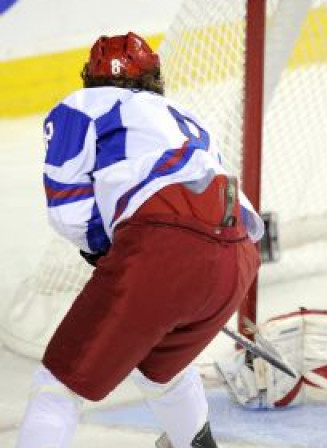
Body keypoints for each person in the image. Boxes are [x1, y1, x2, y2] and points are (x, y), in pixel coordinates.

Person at [16, 32, 264, 447]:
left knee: (58, 385)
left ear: (91, 80)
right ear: (154, 79)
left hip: (162, 246)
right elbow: (244, 222)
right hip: (237, 253)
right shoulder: (186, 118)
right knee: (159, 367)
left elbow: (68, 211)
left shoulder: (81, 106)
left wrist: (110, 250)